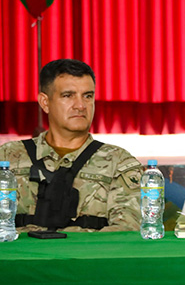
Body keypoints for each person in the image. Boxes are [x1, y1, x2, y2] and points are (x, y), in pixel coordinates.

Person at [0, 59, 143, 232]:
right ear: (45, 102)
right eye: (68, 95)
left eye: (88, 96)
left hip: (88, 257)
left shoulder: (118, 162)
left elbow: (128, 230)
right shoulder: (8, 156)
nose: (81, 106)